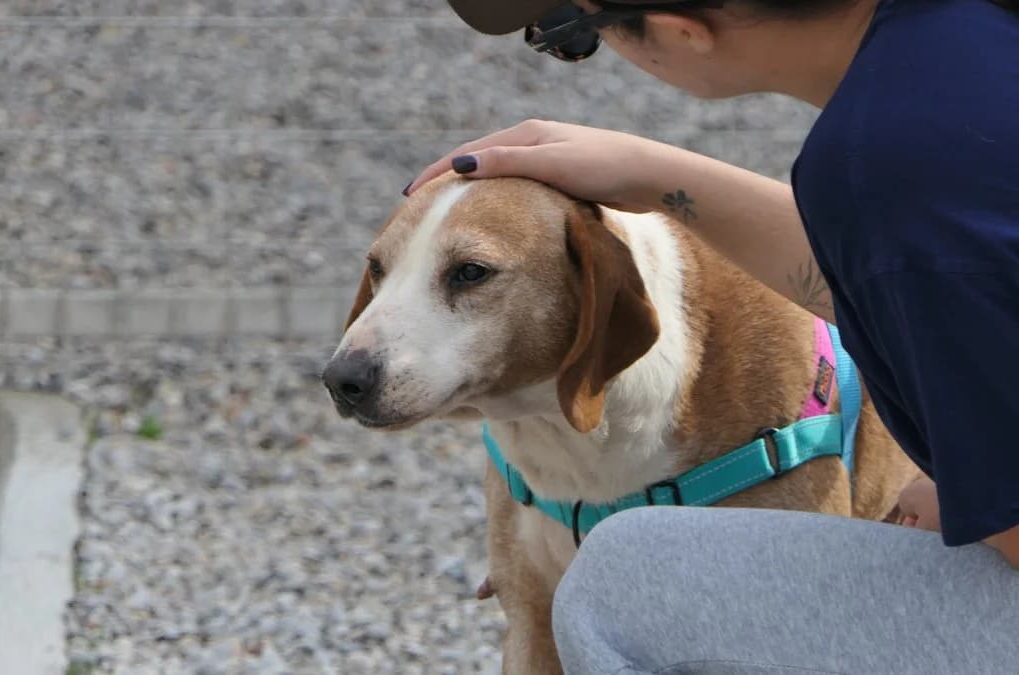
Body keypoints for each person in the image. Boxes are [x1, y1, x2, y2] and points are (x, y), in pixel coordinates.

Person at [404, 1, 1019, 672]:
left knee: (625, 581)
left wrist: (991, 516)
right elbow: (896, 269)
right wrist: (657, 174)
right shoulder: (964, 43)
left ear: (680, 30)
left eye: (568, 35)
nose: (573, 45)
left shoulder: (888, 173)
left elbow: (902, 244)